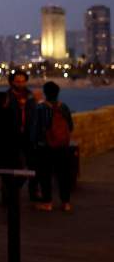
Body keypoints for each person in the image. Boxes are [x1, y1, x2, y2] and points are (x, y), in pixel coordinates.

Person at [32, 81, 75, 212]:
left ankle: (47, 202)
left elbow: (35, 129)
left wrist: (34, 143)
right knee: (63, 175)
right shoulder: (64, 107)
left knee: (45, 174)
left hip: (45, 147)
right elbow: (70, 126)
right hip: (62, 146)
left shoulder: (40, 108)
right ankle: (66, 203)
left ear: (45, 93)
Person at [4, 69, 40, 200]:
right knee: (14, 166)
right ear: (12, 82)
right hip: (13, 137)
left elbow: (36, 114)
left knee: (33, 165)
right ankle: (11, 192)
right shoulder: (6, 98)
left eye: (23, 81)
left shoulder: (30, 96)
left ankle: (33, 191)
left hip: (29, 136)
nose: (21, 84)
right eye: (18, 81)